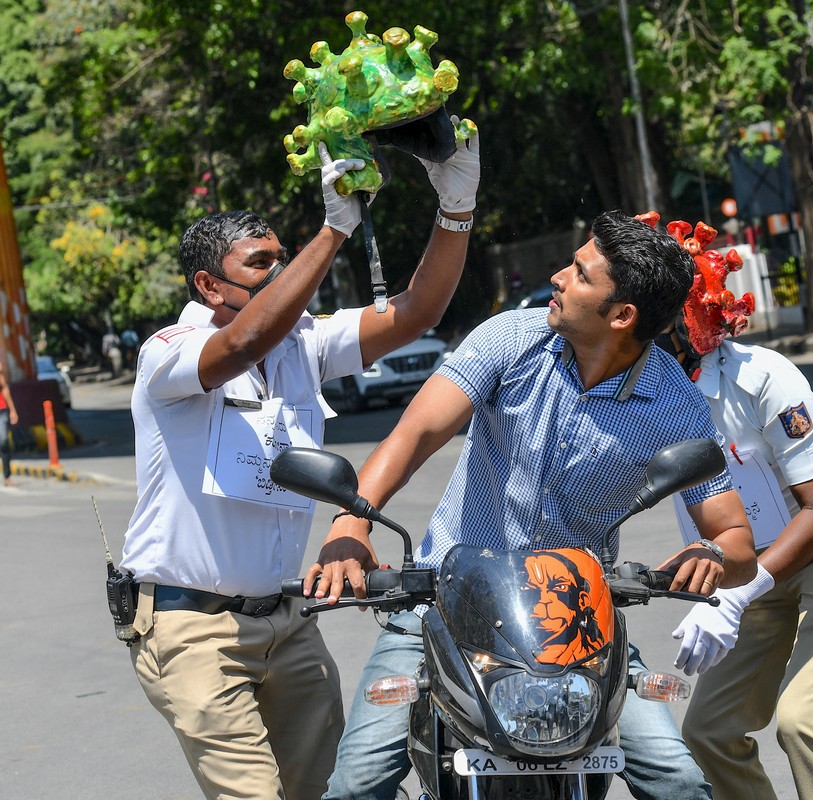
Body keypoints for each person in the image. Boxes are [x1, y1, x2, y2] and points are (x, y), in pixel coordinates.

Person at [311, 209, 758, 800]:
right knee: (356, 784)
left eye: (579, 273)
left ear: (622, 315)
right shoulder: (512, 340)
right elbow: (413, 436)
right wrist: (351, 523)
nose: (557, 277)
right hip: (441, 606)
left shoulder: (676, 406)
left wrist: (711, 554)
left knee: (677, 783)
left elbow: (737, 541)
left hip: (577, 623)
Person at [117, 128, 481, 800]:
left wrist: (455, 207)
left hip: (287, 622)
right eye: (263, 264)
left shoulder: (302, 342)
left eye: (286, 258)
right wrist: (333, 232)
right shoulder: (171, 351)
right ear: (207, 283)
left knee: (331, 792)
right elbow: (240, 344)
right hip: (192, 627)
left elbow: (416, 312)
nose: (285, 273)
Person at [659, 220, 813, 800]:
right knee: (708, 731)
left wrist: (737, 596)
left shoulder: (761, 377)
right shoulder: (648, 394)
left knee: (804, 722)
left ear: (688, 318)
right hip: (758, 561)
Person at [0, 361, 17, 486]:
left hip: (1, 410)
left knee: (3, 440)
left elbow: (5, 388)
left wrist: (12, 410)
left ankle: (7, 476)